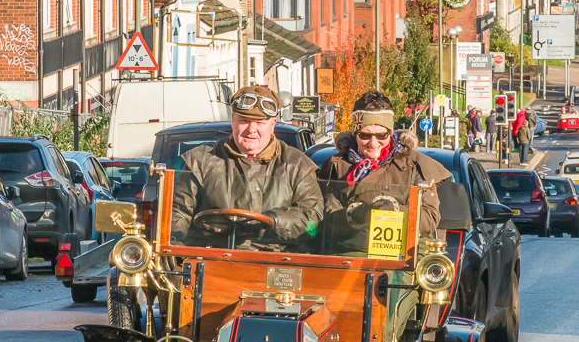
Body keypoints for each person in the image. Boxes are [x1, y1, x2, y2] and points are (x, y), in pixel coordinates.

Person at [171, 85, 324, 247]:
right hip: (213, 257)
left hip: (275, 260)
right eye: (244, 121)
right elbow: (177, 211)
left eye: (260, 123)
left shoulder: (298, 165)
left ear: (272, 125)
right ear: (233, 120)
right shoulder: (199, 161)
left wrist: (272, 221)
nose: (251, 130)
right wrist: (175, 242)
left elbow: (312, 218)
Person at [320, 90, 450, 246]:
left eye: (381, 135)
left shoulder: (415, 165)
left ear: (390, 132)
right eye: (365, 135)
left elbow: (429, 218)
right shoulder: (337, 165)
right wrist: (356, 213)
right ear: (355, 133)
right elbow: (324, 216)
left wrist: (393, 211)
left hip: (404, 254)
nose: (373, 143)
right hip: (349, 253)